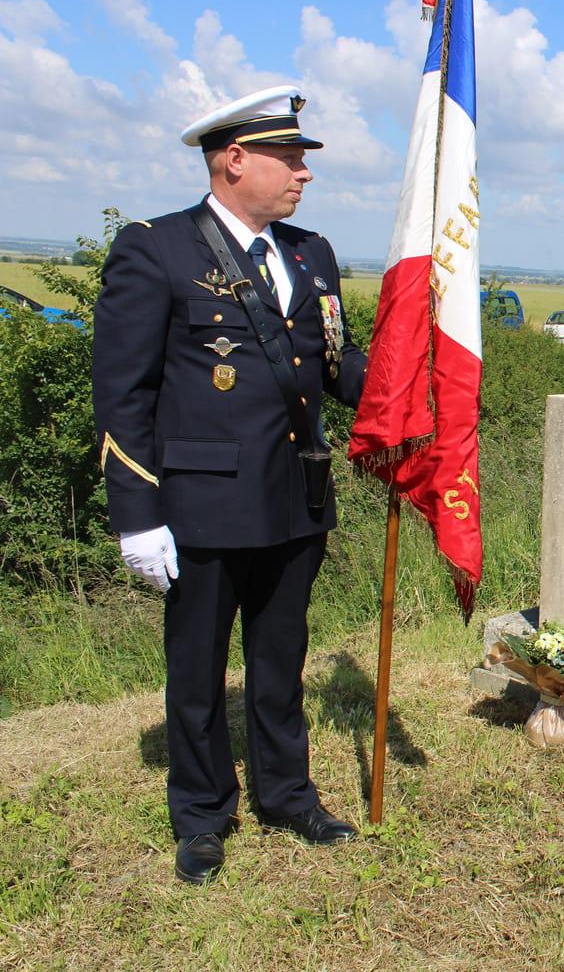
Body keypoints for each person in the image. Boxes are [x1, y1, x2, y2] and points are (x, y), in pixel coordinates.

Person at [92, 86, 369, 884]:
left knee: (281, 661)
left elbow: (330, 366)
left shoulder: (310, 252)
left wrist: (408, 390)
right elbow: (123, 394)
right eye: (289, 157)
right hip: (201, 505)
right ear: (233, 159)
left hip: (295, 496)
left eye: (304, 159)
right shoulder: (159, 248)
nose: (303, 174)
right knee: (198, 670)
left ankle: (287, 795)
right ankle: (203, 812)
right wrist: (136, 514)